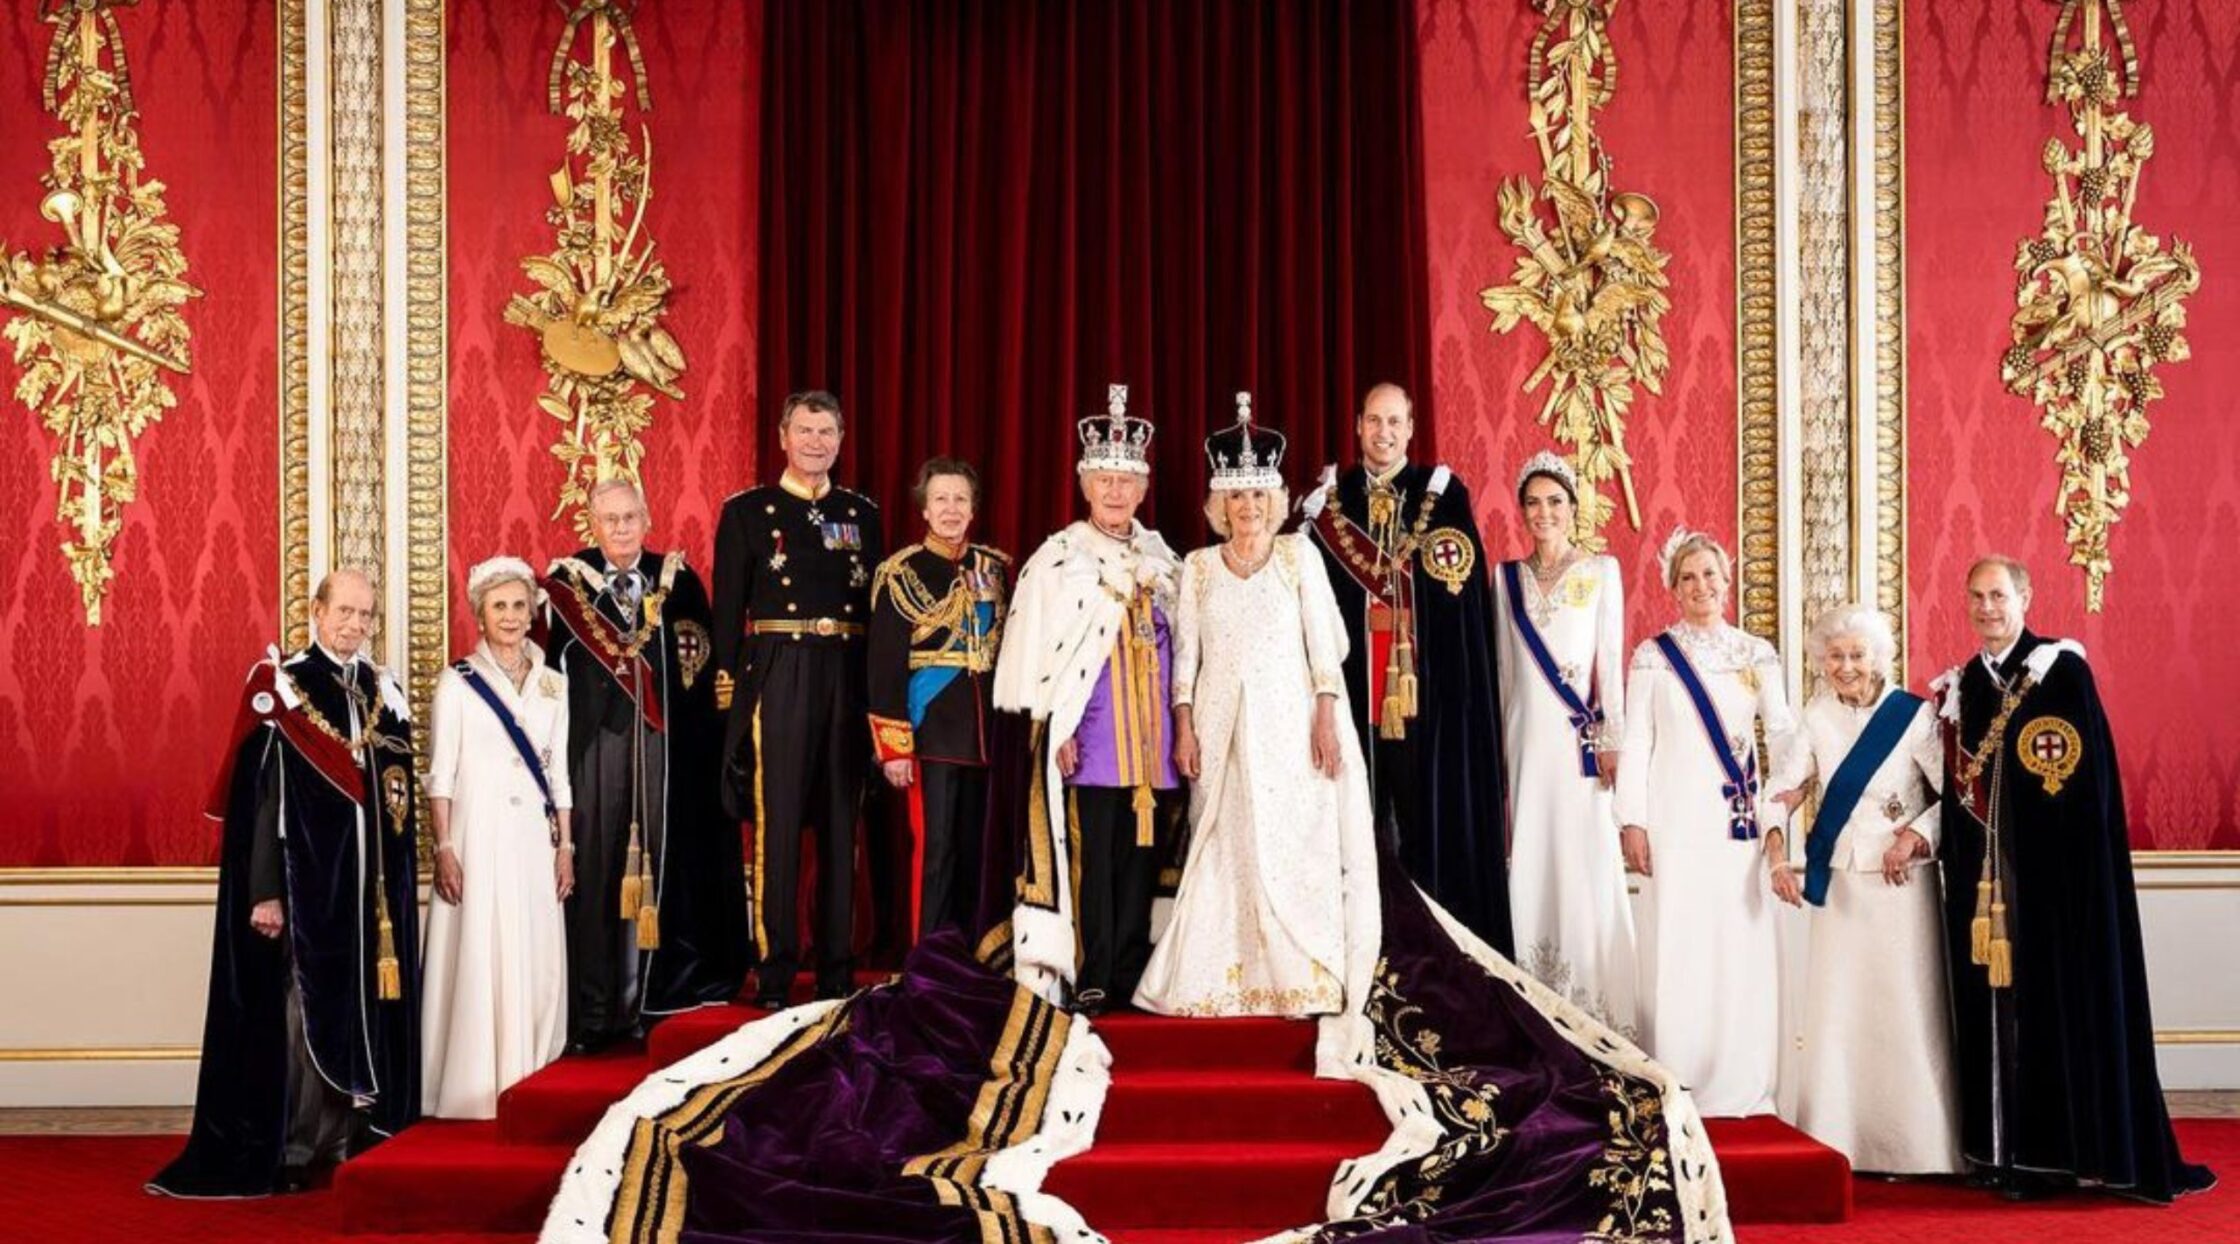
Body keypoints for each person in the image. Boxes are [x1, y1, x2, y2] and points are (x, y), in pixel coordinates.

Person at [1935, 556, 2214, 1202]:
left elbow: (2085, 791)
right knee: (1989, 1018)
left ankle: (2056, 1160)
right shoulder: (1963, 688)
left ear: (2025, 597)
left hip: (2055, 892)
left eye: (1998, 595)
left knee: (2050, 1013)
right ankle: (1997, 1154)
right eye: (1975, 596)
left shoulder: (2060, 673)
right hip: (1981, 896)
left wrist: (2043, 865)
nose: (1986, 608)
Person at [150, 570, 420, 1197]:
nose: (355, 625)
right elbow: (263, 801)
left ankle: (349, 1138)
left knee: (358, 1013)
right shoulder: (284, 687)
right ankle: (299, 1148)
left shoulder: (378, 690)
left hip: (366, 899)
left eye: (366, 615)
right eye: (345, 611)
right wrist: (264, 890)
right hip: (306, 892)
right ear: (317, 611)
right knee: (306, 1018)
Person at [1135, 396, 1378, 1018]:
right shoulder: (1199, 568)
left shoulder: (1300, 556)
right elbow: (1184, 658)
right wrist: (1183, 726)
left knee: (1294, 839)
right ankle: (1222, 978)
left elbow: (1327, 649)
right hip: (1220, 728)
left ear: (1275, 501)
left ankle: (1300, 974)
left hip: (1292, 726)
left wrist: (1326, 715)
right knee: (1225, 843)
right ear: (1221, 505)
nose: (1248, 509)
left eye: (1259, 498)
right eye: (1237, 499)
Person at [1301, 382, 1512, 954]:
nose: (1384, 433)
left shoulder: (1441, 496)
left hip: (1423, 697)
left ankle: (1429, 950)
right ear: (1357, 427)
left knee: (1423, 825)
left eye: (1395, 422)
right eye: (1374, 421)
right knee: (1354, 826)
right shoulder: (1328, 503)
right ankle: (1356, 949)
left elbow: (1459, 599)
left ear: (1411, 429)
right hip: (1349, 692)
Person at [992, 383, 1181, 1016]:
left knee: (1141, 859)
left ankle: (1131, 968)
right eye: (1104, 480)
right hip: (1094, 737)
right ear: (1085, 484)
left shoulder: (1164, 560)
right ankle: (1092, 969)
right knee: (1092, 859)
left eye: (1126, 482)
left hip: (1154, 744)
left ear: (1143, 488)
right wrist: (1057, 727)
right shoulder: (1060, 559)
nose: (1116, 492)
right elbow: (1040, 655)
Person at [543, 480, 742, 1052]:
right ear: (593, 524)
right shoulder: (568, 584)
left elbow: (700, 676)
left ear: (647, 518)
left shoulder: (678, 584)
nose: (622, 528)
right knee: (603, 870)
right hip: (596, 753)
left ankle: (656, 997)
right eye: (610, 518)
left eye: (631, 516)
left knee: (665, 867)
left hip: (666, 753)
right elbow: (552, 681)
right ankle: (598, 1009)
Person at [1763, 604, 1960, 1175]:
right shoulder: (1817, 715)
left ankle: (1921, 1148)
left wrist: (1918, 837)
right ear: (1821, 663)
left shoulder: (1915, 716)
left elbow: (1956, 797)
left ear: (1878, 656)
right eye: (1835, 656)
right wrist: (1778, 853)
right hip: (1845, 884)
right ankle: (1843, 1140)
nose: (1846, 666)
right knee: (1843, 1013)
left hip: (1904, 885)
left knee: (1905, 1008)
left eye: (1856, 654)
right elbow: (1785, 787)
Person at [713, 390, 885, 1007]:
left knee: (843, 823)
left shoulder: (862, 514)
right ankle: (777, 969)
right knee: (778, 824)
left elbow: (874, 612)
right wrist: (731, 699)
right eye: (805, 431)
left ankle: (837, 967)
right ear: (783, 437)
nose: (816, 442)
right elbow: (727, 614)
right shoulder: (747, 513)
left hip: (845, 668)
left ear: (840, 440)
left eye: (827, 432)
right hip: (778, 670)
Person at [1614, 528, 1792, 1117]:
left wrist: (1784, 799)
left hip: (1736, 828)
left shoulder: (1756, 652)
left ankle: (1742, 1078)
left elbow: (1785, 734)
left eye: (1710, 575)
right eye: (1688, 577)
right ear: (1673, 587)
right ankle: (1680, 1072)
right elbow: (1637, 742)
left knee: (1736, 944)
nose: (1701, 587)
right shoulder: (1652, 654)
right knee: (1680, 943)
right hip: (1674, 821)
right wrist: (1632, 821)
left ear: (1728, 579)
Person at [421, 558, 573, 1119]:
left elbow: (559, 775)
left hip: (535, 840)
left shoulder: (554, 683)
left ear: (534, 612)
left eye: (519, 606)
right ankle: (472, 1086)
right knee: (481, 948)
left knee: (533, 949)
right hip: (477, 836)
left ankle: (531, 1078)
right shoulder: (456, 681)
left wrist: (566, 847)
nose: (511, 617)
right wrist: (445, 848)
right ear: (480, 616)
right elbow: (441, 773)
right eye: (499, 607)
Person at [1493, 450, 1636, 1034]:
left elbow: (1612, 667)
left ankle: (1596, 1005)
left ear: (1574, 509)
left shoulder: (1601, 572)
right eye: (1533, 503)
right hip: (1528, 742)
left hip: (1581, 747)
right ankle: (1535, 999)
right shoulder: (1505, 578)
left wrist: (1613, 740)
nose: (1543, 512)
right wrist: (1502, 749)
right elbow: (1505, 671)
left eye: (1555, 502)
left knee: (1583, 861)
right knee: (1532, 854)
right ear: (1522, 512)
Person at [867, 457, 1010, 939]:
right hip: (930, 732)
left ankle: (971, 952)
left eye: (960, 500)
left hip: (985, 734)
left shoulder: (991, 568)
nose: (951, 509)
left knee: (977, 852)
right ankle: (927, 959)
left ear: (973, 509)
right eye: (941, 500)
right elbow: (884, 665)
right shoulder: (900, 572)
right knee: (936, 850)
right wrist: (894, 746)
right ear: (924, 510)